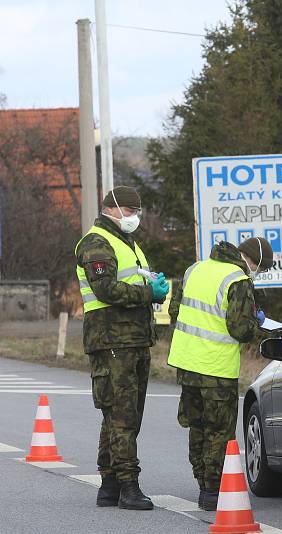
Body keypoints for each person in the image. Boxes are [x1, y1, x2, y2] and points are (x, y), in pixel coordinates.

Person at [74, 186, 170, 511]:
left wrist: (153, 284)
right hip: (112, 341)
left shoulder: (126, 242)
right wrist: (148, 295)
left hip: (133, 339)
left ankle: (110, 485)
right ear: (113, 209)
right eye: (131, 212)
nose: (135, 218)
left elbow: (130, 280)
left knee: (118, 415)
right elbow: (105, 289)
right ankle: (129, 487)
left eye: (136, 212)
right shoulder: (96, 243)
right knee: (123, 416)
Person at [167, 237, 274, 511]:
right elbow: (240, 329)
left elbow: (175, 311)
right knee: (219, 430)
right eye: (260, 269)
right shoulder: (238, 280)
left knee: (197, 425)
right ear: (254, 261)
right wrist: (256, 323)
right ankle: (213, 491)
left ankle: (202, 482)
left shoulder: (195, 269)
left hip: (187, 363)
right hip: (216, 368)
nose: (257, 274)